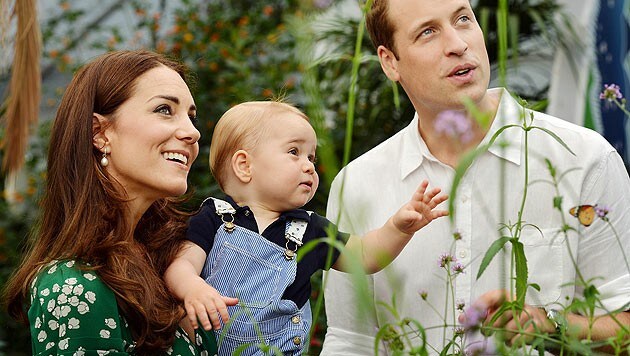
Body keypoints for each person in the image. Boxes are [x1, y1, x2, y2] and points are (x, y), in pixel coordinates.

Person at [321, 0, 630, 354]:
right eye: (428, 32)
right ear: (390, 61)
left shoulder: (584, 158)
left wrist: (554, 327)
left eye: (463, 19)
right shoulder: (357, 183)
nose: (457, 44)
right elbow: (351, 339)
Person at [163, 101, 449, 355]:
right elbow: (181, 265)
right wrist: (193, 288)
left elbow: (365, 256)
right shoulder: (214, 217)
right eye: (294, 152)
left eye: (311, 157)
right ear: (244, 165)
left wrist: (399, 228)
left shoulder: (310, 229)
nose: (309, 166)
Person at [3, 50, 217, 355]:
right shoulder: (73, 286)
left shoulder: (176, 267)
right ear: (100, 133)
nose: (192, 132)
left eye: (191, 117)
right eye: (164, 110)